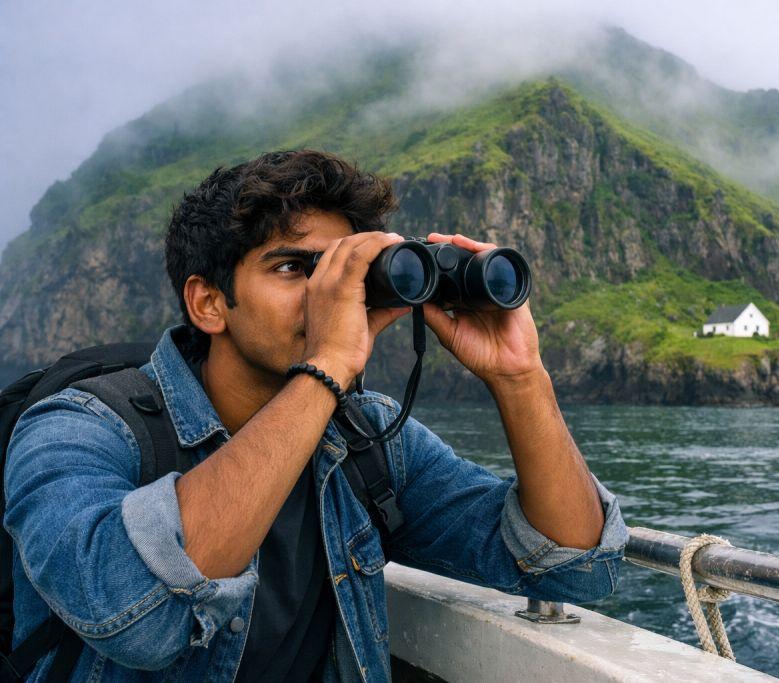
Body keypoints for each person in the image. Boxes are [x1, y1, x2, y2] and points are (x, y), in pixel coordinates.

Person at [3, 150, 628, 682]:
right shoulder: (80, 427)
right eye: (294, 267)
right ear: (209, 302)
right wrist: (326, 365)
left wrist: (520, 378)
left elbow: (575, 568)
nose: (331, 293)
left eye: (342, 269)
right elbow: (137, 617)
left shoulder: (368, 438)